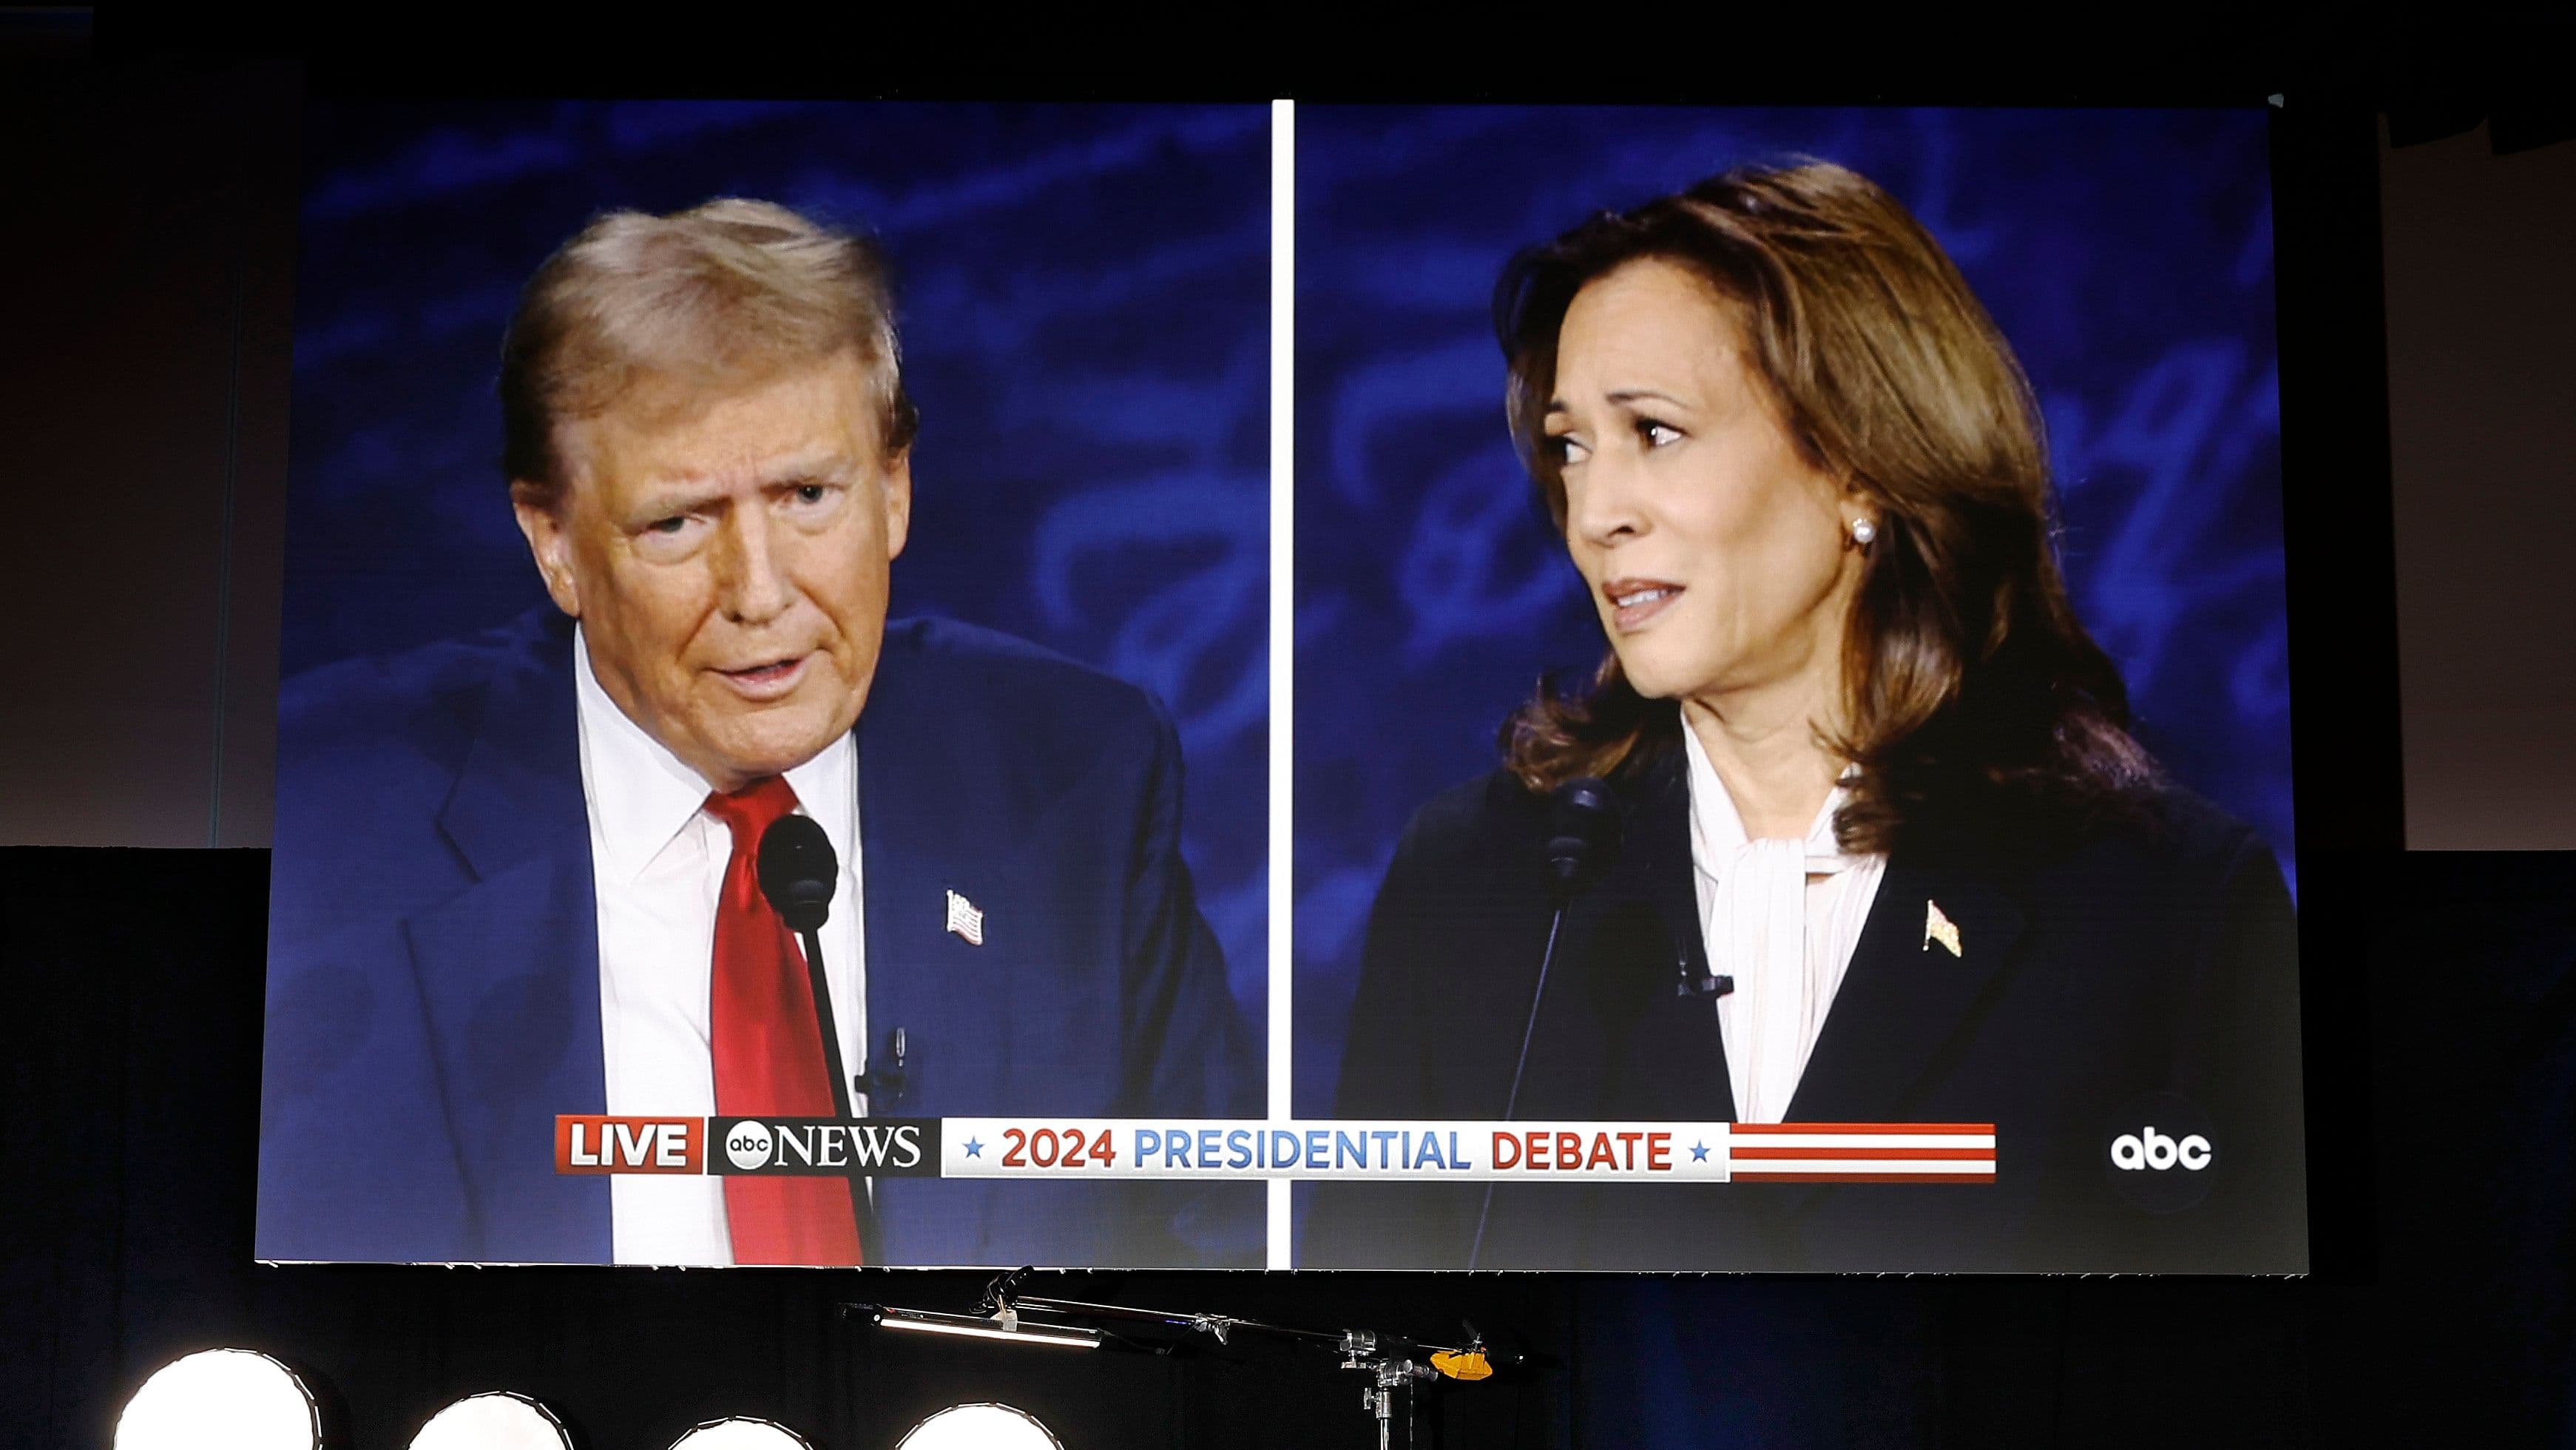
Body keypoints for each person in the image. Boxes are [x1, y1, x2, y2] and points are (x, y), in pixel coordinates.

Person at [1307, 163, 2305, 1272]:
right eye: (1569, 448)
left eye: (1656, 433)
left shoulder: (2160, 906)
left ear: (1860, 468)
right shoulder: (1479, 881)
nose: (1596, 515)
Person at [257, 199, 1258, 1268]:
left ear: (895, 490)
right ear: (553, 540)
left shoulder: (1075, 778)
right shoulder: (337, 820)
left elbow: (1210, 1251)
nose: (761, 593)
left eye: (809, 496)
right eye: (680, 521)